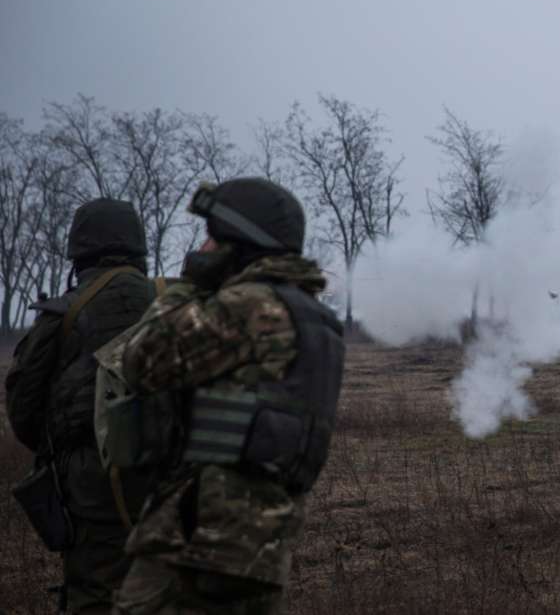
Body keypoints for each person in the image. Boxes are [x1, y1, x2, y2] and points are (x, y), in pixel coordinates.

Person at [110, 177, 344, 614]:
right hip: (263, 545)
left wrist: (190, 282)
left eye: (212, 238)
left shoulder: (251, 306)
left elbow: (141, 359)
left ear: (240, 241)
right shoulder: (319, 321)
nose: (205, 246)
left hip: (195, 541)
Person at [5, 199, 155, 614]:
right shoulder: (172, 301)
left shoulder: (64, 313)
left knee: (95, 590)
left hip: (93, 481)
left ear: (79, 252)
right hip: (171, 473)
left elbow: (24, 410)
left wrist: (65, 451)